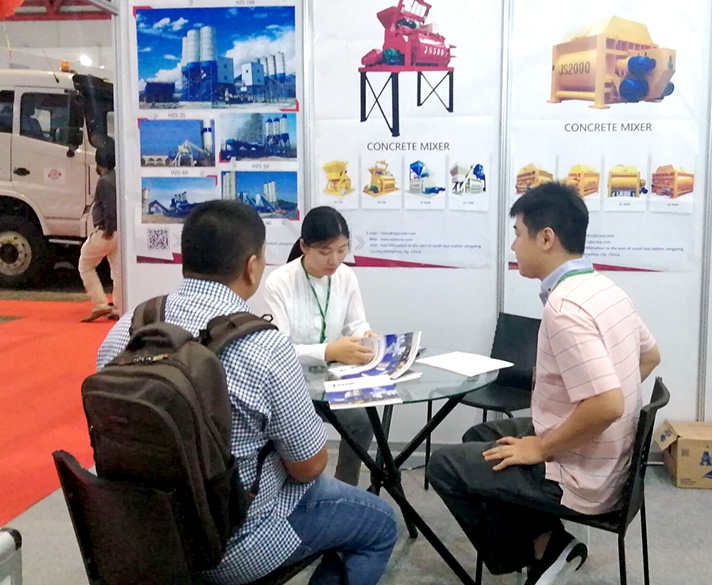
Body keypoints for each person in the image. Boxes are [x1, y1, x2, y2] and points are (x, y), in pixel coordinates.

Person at [96, 200, 397, 585]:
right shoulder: (263, 347)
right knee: (380, 524)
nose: (334, 259)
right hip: (233, 540)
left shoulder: (128, 328)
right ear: (252, 267)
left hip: (141, 532)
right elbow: (308, 466)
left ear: (186, 258)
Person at [427, 182, 661, 585]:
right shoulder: (606, 288)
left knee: (444, 466)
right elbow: (650, 357)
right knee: (480, 436)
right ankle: (548, 542)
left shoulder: (565, 306)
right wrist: (578, 413)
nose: (514, 246)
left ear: (546, 238)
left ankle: (538, 555)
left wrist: (543, 447)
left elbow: (607, 405)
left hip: (586, 476)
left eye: (518, 234)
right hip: (613, 459)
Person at [264, 206, 375, 487]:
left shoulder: (346, 276)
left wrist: (364, 336)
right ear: (304, 246)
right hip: (291, 385)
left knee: (362, 421)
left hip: (334, 380)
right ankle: (293, 490)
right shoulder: (279, 282)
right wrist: (328, 351)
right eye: (325, 252)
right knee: (300, 439)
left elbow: (355, 323)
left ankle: (346, 485)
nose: (334, 260)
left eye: (342, 250)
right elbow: (279, 349)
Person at [79, 139, 121, 322]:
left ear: (99, 163)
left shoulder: (104, 181)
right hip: (119, 232)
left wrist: (108, 230)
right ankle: (119, 307)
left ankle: (100, 304)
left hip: (106, 231)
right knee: (117, 271)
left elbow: (109, 208)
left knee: (85, 264)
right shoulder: (117, 177)